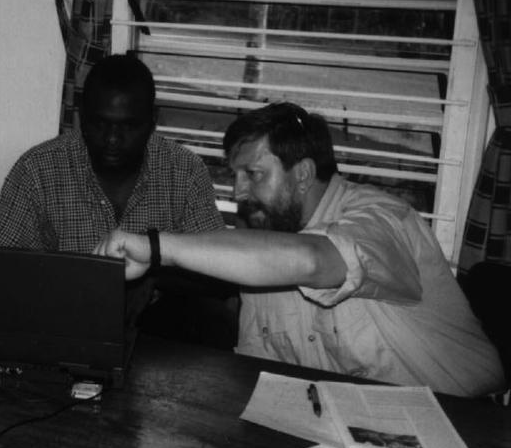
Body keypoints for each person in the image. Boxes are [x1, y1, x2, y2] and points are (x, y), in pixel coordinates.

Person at [95, 102, 505, 397]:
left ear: (304, 174)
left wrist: (155, 246)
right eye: (234, 176)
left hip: (468, 428)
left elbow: (312, 260)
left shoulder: (383, 219)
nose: (238, 192)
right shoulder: (261, 251)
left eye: (253, 174)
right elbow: (259, 371)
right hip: (346, 431)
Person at [0, 53, 238, 344]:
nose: (112, 139)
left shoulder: (184, 171)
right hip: (62, 328)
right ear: (81, 115)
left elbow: (219, 273)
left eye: (128, 126)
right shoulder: (39, 169)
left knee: (214, 320)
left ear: (152, 121)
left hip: (158, 334)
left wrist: (152, 277)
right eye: (100, 124)